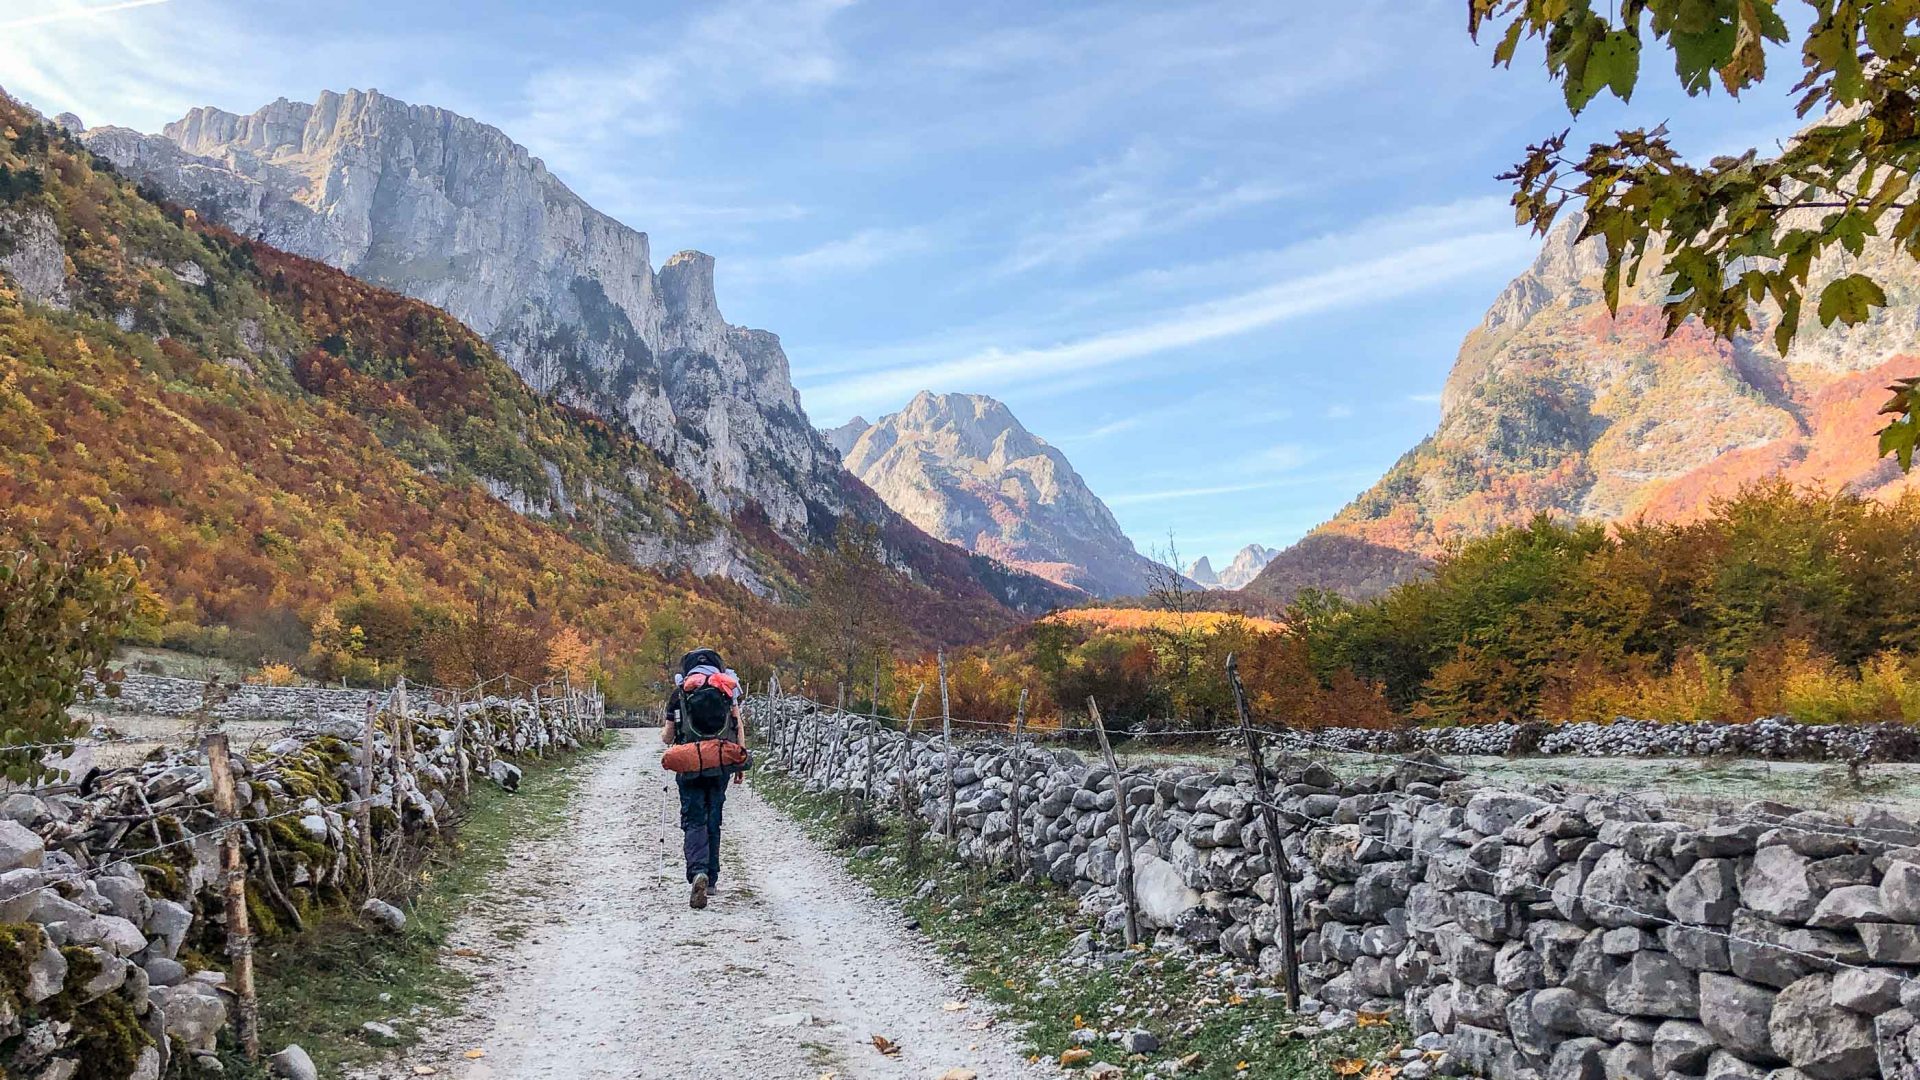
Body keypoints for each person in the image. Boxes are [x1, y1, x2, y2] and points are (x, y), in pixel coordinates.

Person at [662, 647, 748, 909]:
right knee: (714, 817)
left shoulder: (681, 693)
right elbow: (738, 727)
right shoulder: (726, 689)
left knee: (693, 817)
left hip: (689, 763)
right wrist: (740, 764)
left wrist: (667, 740)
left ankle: (697, 871)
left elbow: (668, 735)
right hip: (720, 762)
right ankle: (711, 880)